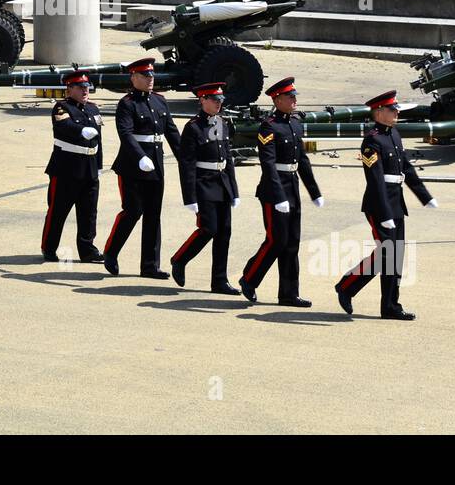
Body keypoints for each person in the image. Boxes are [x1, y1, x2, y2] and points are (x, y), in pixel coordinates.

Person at [334, 90, 439, 321]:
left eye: (396, 109)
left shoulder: (394, 134)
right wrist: (384, 213)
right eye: (392, 109)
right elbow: (375, 179)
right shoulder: (372, 140)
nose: (396, 112)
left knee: (395, 255)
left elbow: (407, 169)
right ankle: (347, 286)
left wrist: (425, 196)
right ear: (379, 112)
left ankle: (390, 305)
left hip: (396, 202)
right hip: (379, 204)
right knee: (386, 252)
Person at [238, 78, 324, 306]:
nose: (295, 100)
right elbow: (268, 163)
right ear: (277, 100)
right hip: (274, 190)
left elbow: (302, 160)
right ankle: (249, 278)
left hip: (292, 186)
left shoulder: (295, 124)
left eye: (295, 96)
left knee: (292, 242)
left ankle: (288, 293)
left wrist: (314, 191)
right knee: (277, 240)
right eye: (290, 97)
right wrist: (278, 197)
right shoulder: (269, 126)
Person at [102, 57, 181, 278]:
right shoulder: (127, 103)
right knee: (133, 211)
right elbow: (126, 134)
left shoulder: (160, 101)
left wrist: (187, 157)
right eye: (145, 76)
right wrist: (139, 157)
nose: (150, 79)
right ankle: (111, 252)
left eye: (152, 75)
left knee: (154, 215)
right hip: (132, 166)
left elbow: (172, 133)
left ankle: (149, 265)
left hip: (155, 163)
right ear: (133, 77)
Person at [169, 82, 240, 294]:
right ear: (202, 100)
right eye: (214, 100)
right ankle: (180, 259)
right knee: (208, 229)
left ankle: (219, 280)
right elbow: (187, 164)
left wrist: (234, 190)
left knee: (224, 233)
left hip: (222, 182)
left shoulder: (223, 123)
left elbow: (228, 157)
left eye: (220, 100)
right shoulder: (193, 127)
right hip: (203, 183)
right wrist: (189, 197)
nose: (218, 104)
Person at [41, 70, 106, 263]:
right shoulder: (62, 108)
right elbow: (64, 127)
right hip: (66, 169)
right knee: (58, 211)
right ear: (69, 89)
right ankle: (49, 247)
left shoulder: (94, 109)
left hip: (90, 168)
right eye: (80, 87)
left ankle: (87, 250)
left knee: (88, 213)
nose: (85, 90)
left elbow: (98, 140)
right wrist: (80, 131)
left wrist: (99, 165)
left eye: (87, 87)